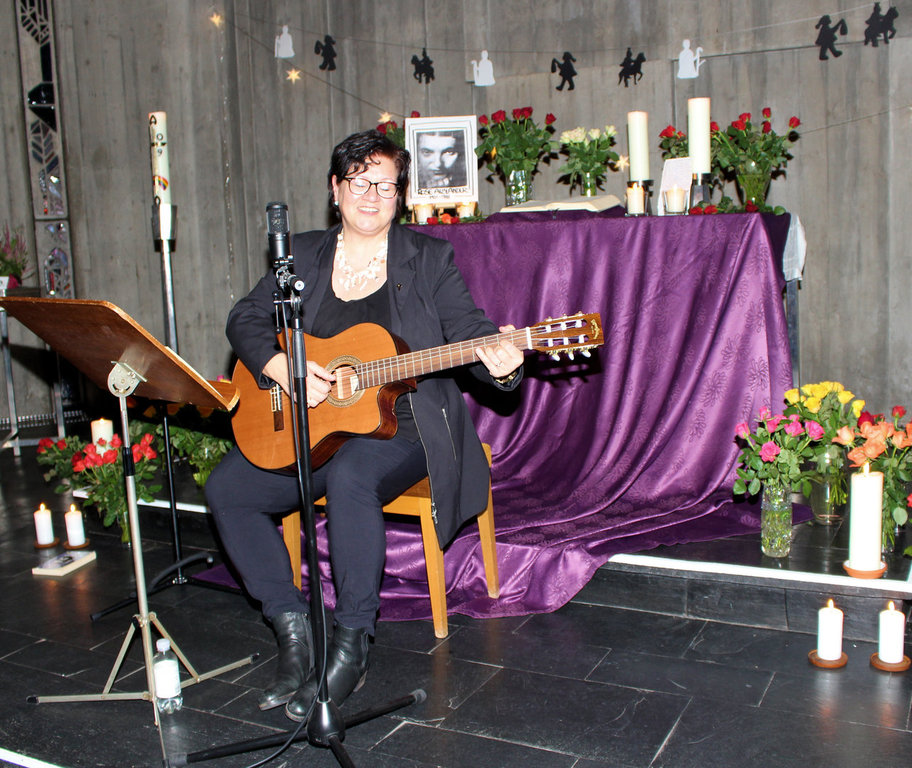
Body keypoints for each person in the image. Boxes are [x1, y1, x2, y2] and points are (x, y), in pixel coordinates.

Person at [205, 129, 523, 721]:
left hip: (405, 426)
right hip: (315, 426)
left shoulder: (428, 259)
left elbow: (470, 330)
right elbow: (244, 317)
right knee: (228, 489)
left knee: (353, 475)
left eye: (385, 185)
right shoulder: (302, 255)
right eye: (358, 182)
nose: (371, 195)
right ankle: (294, 630)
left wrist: (502, 363)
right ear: (335, 189)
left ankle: (352, 643)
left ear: (400, 195)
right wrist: (280, 365)